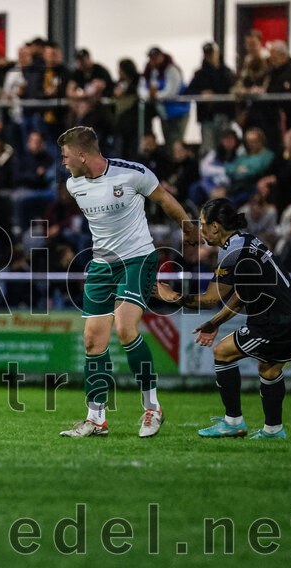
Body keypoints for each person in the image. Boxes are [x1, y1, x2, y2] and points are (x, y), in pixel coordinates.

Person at [56, 126, 198, 438]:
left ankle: (152, 408)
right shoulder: (73, 184)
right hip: (101, 266)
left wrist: (188, 228)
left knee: (125, 329)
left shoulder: (132, 173)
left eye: (66, 156)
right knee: (93, 341)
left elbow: (164, 198)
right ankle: (96, 420)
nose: (63, 162)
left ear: (82, 155)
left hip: (138, 259)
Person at [155, 198, 291, 439]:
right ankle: (273, 430)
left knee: (223, 352)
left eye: (203, 224)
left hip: (278, 319)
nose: (201, 229)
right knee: (268, 370)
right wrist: (214, 323)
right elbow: (241, 295)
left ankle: (233, 422)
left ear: (215, 226)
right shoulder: (246, 241)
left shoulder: (232, 251)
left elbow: (209, 299)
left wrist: (172, 296)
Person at [185, 42, 236, 156]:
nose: (210, 56)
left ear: (217, 53)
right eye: (207, 54)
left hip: (224, 115)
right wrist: (201, 93)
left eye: (212, 53)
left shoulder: (227, 73)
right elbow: (188, 92)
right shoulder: (200, 74)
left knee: (225, 148)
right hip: (207, 117)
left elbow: (234, 89)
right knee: (208, 150)